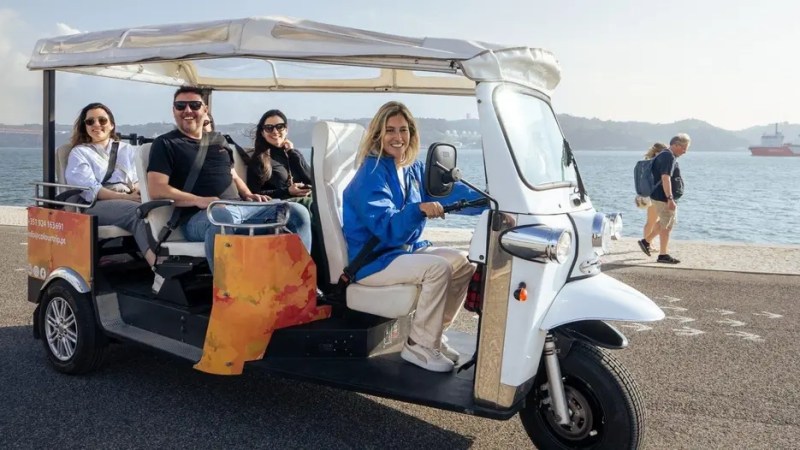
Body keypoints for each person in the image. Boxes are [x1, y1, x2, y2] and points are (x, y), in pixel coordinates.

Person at [342, 101, 478, 373]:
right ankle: (418, 345)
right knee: (438, 268)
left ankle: (434, 334)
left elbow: (448, 192)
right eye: (390, 130)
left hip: (403, 251)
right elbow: (387, 227)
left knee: (463, 262)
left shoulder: (411, 169)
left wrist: (493, 201)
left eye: (403, 130)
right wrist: (418, 210)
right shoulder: (371, 173)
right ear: (378, 135)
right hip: (374, 261)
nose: (398, 137)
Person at [146, 87, 312, 272]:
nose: (187, 110)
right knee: (222, 217)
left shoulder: (218, 140)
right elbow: (157, 188)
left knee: (297, 212)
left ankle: (296, 279)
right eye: (180, 106)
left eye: (194, 105)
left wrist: (248, 194)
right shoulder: (165, 143)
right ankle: (228, 293)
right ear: (173, 110)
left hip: (241, 208)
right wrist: (200, 201)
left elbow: (232, 174)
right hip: (199, 217)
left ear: (205, 109)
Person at [64, 102, 156, 266]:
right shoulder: (80, 153)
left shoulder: (126, 149)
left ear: (112, 125)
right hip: (95, 203)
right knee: (137, 213)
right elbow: (92, 189)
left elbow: (135, 180)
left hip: (126, 197)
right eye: (90, 121)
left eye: (102, 120)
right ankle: (157, 265)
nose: (96, 125)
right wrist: (126, 198)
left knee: (160, 209)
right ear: (85, 126)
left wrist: (139, 193)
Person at [638, 133, 690, 264]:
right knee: (665, 224)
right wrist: (670, 198)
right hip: (663, 197)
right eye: (684, 148)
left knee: (667, 225)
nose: (685, 151)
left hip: (662, 196)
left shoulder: (666, 155)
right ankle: (653, 246)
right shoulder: (668, 156)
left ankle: (658, 250)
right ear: (676, 145)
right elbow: (665, 178)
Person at [246, 109, 313, 203]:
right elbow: (255, 193)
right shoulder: (259, 159)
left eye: (279, 127)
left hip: (306, 201)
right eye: (269, 128)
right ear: (262, 132)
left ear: (286, 130)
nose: (275, 131)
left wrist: (292, 152)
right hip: (283, 207)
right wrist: (288, 191)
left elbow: (311, 180)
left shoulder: (294, 154)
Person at [635, 142, 668, 249]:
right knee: (652, 221)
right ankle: (646, 243)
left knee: (652, 220)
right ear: (658, 152)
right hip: (654, 196)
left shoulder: (649, 164)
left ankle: (648, 241)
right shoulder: (656, 165)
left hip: (651, 195)